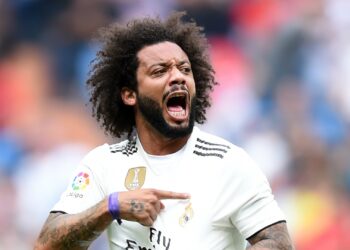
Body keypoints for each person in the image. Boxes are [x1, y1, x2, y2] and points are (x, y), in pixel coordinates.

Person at [35, 12, 294, 250]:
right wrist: (110, 206)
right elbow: (46, 245)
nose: (178, 77)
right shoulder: (103, 164)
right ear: (129, 94)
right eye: (159, 71)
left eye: (184, 69)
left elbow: (277, 242)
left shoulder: (229, 163)